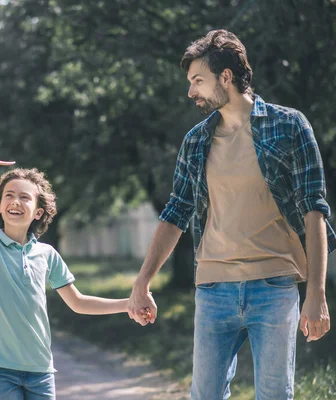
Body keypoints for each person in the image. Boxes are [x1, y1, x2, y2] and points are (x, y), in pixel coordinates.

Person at [127, 29, 335, 399]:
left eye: (198, 80)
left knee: (274, 395)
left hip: (274, 286)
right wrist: (143, 282)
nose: (191, 91)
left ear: (226, 77)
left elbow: (314, 211)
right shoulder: (196, 140)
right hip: (213, 290)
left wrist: (316, 294)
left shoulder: (288, 126)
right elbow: (176, 212)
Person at [0, 159, 135, 400]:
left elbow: (78, 302)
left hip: (40, 368)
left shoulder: (47, 254)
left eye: (24, 197)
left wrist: (127, 304)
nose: (15, 201)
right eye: (9, 195)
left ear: (38, 211)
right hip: (1, 366)